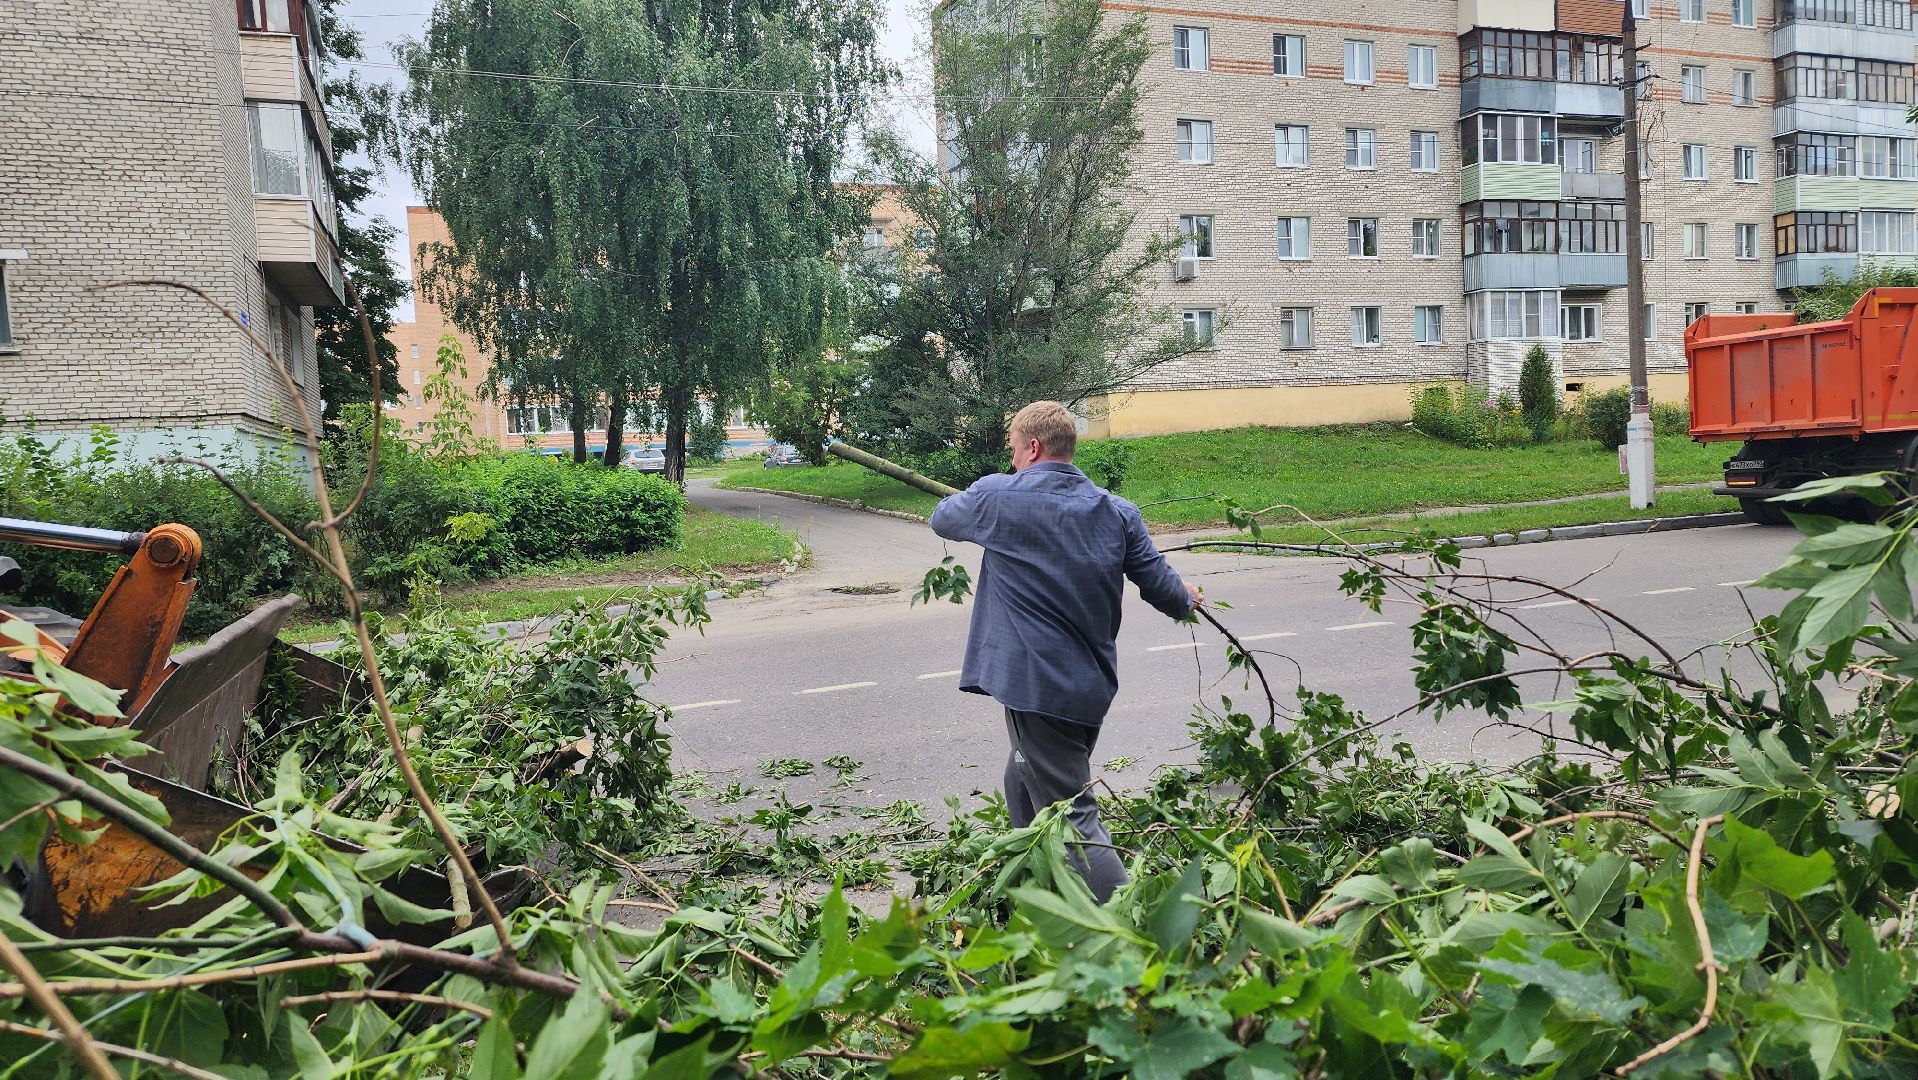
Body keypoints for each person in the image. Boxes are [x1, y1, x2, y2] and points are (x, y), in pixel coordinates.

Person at [929, 401, 1200, 901]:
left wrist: (991, 488)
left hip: (1038, 688)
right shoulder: (1118, 511)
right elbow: (1164, 588)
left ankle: (1126, 930)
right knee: (1022, 774)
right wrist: (1187, 599)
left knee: (1073, 816)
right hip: (1088, 687)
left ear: (1032, 447)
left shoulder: (999, 497)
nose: (1011, 460)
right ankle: (1039, 890)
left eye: (1013, 450)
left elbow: (942, 518)